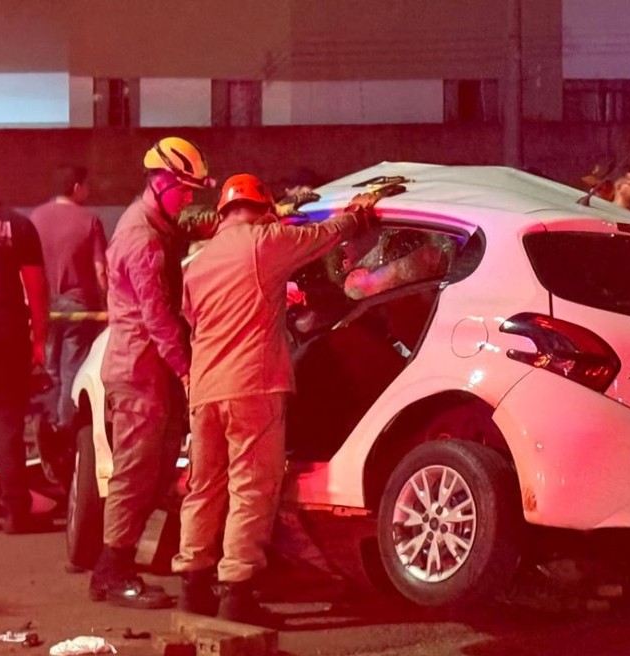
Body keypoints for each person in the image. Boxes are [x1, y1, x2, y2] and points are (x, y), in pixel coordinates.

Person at [172, 174, 378, 624]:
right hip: (252, 385)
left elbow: (192, 320)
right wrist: (357, 216)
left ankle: (193, 585)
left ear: (223, 212)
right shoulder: (264, 242)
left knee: (204, 488)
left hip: (205, 390)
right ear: (263, 208)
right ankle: (237, 592)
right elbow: (319, 237)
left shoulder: (200, 263)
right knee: (251, 489)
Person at [89, 137, 214, 609]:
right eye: (184, 189)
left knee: (155, 470)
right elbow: (157, 318)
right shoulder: (142, 240)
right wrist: (186, 373)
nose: (188, 199)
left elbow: (186, 229)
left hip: (146, 371)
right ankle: (112, 572)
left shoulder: (154, 222)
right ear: (160, 181)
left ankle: (124, 564)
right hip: (140, 372)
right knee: (135, 475)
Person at [0, 153, 50, 534]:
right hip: (7, 335)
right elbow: (36, 289)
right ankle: (16, 509)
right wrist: (40, 341)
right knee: (8, 424)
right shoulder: (18, 226)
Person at [29, 165, 108, 433]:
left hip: (45, 305)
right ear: (76, 187)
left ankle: (50, 425)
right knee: (72, 368)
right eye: (86, 185)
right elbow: (100, 270)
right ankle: (68, 428)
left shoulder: (35, 219)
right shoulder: (89, 220)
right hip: (80, 306)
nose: (89, 190)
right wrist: (107, 304)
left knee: (49, 367)